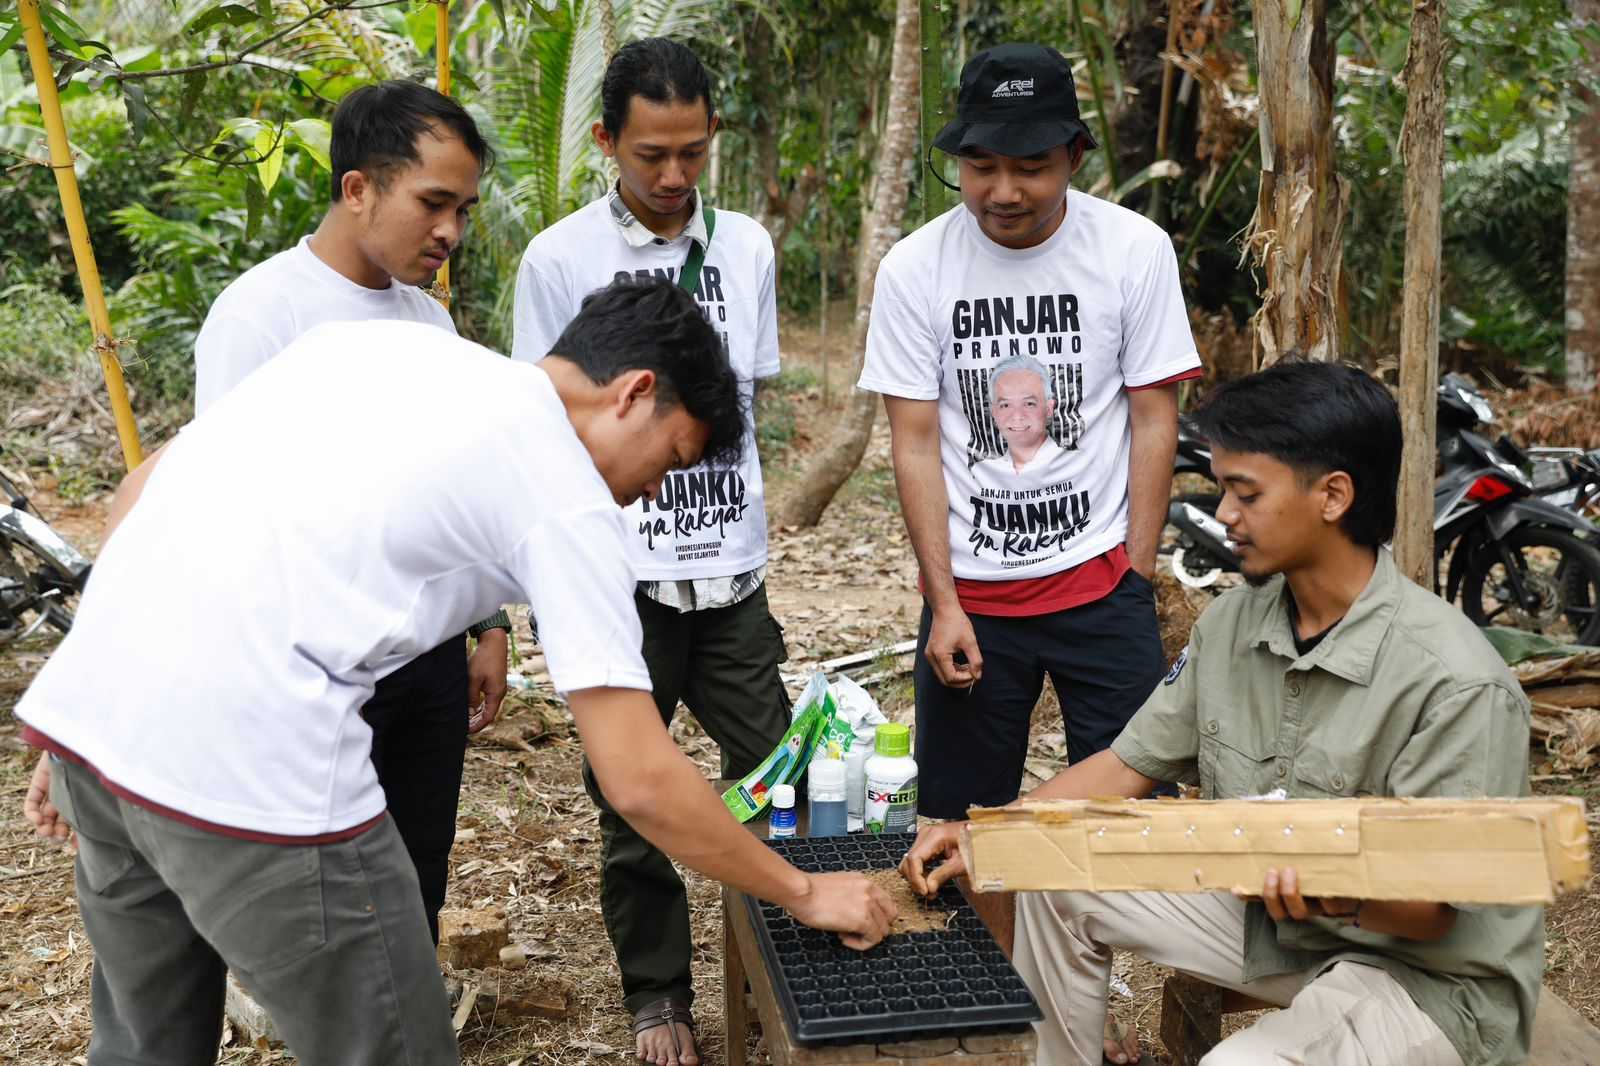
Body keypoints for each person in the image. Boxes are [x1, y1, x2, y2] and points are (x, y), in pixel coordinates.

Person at [20, 278, 896, 1066]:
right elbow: (638, 780)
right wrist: (805, 890)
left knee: (143, 1045)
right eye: (669, 460)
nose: (655, 494)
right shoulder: (564, 492)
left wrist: (80, 712)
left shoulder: (375, 346)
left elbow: (141, 492)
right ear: (633, 394)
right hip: (255, 766)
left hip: (96, 735)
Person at [900, 360, 1543, 1066]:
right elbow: (1125, 764)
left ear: (1332, 496)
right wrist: (987, 833)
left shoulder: (1455, 683)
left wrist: (1328, 889)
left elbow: (1433, 910)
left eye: (1246, 493)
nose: (1225, 515)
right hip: (1278, 928)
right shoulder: (1235, 624)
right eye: (1221, 490)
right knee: (1052, 873)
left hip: (1425, 976)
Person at [512, 38, 788, 1066]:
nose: (673, 178)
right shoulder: (561, 259)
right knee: (633, 793)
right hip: (616, 575)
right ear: (604, 142)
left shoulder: (747, 247)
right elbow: (539, 416)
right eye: (650, 156)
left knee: (773, 774)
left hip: (731, 568)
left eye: (692, 153)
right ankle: (658, 993)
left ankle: (779, 958)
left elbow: (743, 404)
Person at [857, 42, 1202, 825]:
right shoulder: (916, 269)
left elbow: (1154, 415)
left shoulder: (1132, 251)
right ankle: (993, 950)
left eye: (1031, 166)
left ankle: (1095, 950)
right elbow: (913, 442)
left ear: (1075, 156)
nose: (1004, 191)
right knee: (962, 824)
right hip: (972, 601)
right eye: (981, 166)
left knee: (1134, 815)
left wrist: (1134, 575)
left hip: (1102, 581)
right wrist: (943, 602)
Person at [195, 78, 505, 944]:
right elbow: (223, 511)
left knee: (419, 873)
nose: (450, 231)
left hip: (427, 661)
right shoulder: (261, 314)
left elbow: (450, 491)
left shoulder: (427, 322)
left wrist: (487, 626)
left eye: (464, 209)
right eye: (433, 203)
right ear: (358, 188)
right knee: (327, 896)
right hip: (319, 668)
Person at [973, 355, 1062, 478]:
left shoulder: (1077, 464)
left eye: (1029, 404)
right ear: (993, 411)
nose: (1017, 416)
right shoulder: (980, 474)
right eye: (1005, 405)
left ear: (1049, 408)